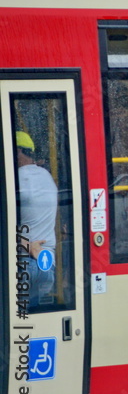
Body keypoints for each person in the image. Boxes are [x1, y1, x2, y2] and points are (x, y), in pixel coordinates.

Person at [15, 131, 57, 306]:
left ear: (17, 152)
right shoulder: (47, 177)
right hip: (47, 265)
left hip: (24, 262)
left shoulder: (16, 182)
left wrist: (26, 245)